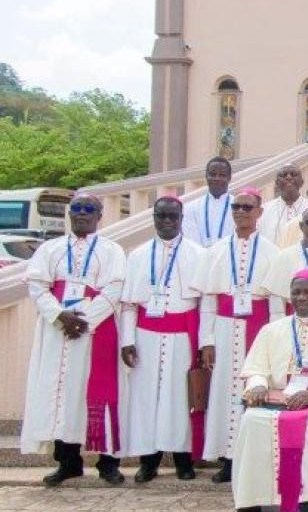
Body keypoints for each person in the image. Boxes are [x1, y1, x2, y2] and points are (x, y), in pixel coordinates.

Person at [21, 193, 128, 486]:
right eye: (77, 209)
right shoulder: (50, 248)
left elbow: (115, 289)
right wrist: (59, 316)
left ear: (100, 215)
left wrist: (84, 321)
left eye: (89, 209)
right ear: (69, 215)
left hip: (95, 332)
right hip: (57, 331)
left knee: (97, 394)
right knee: (62, 396)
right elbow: (37, 286)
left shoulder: (112, 250)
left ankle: (108, 464)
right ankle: (68, 462)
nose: (82, 214)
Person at [233, 269, 308, 512]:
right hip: (277, 401)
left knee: (304, 425)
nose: (302, 298)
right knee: (251, 419)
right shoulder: (271, 330)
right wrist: (258, 385)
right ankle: (251, 499)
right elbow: (255, 369)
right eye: (296, 292)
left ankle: (304, 499)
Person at [196, 187, 279, 482]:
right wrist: (206, 340)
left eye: (247, 207)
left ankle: (254, 461)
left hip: (258, 329)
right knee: (224, 392)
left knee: (257, 390)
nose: (241, 212)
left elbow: (276, 303)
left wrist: (275, 342)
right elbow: (207, 299)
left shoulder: (272, 251)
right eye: (237, 207)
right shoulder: (216, 250)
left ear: (259, 212)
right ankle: (228, 460)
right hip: (224, 327)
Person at [119, 196, 205, 482]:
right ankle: (148, 460)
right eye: (161, 216)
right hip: (146, 336)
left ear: (181, 219)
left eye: (173, 216)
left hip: (182, 334)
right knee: (147, 398)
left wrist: (204, 343)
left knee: (179, 398)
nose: (167, 222)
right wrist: (127, 340)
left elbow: (205, 303)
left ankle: (183, 460)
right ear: (153, 217)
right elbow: (130, 304)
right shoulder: (138, 255)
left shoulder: (198, 253)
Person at [182, 157, 234, 248]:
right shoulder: (190, 208)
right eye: (213, 174)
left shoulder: (239, 207)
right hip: (199, 259)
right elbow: (191, 241)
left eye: (222, 175)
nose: (217, 178)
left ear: (229, 178)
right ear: (206, 176)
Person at [259, 163, 308, 243]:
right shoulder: (264, 210)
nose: (288, 177)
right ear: (276, 183)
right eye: (284, 175)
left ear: (302, 182)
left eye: (293, 174)